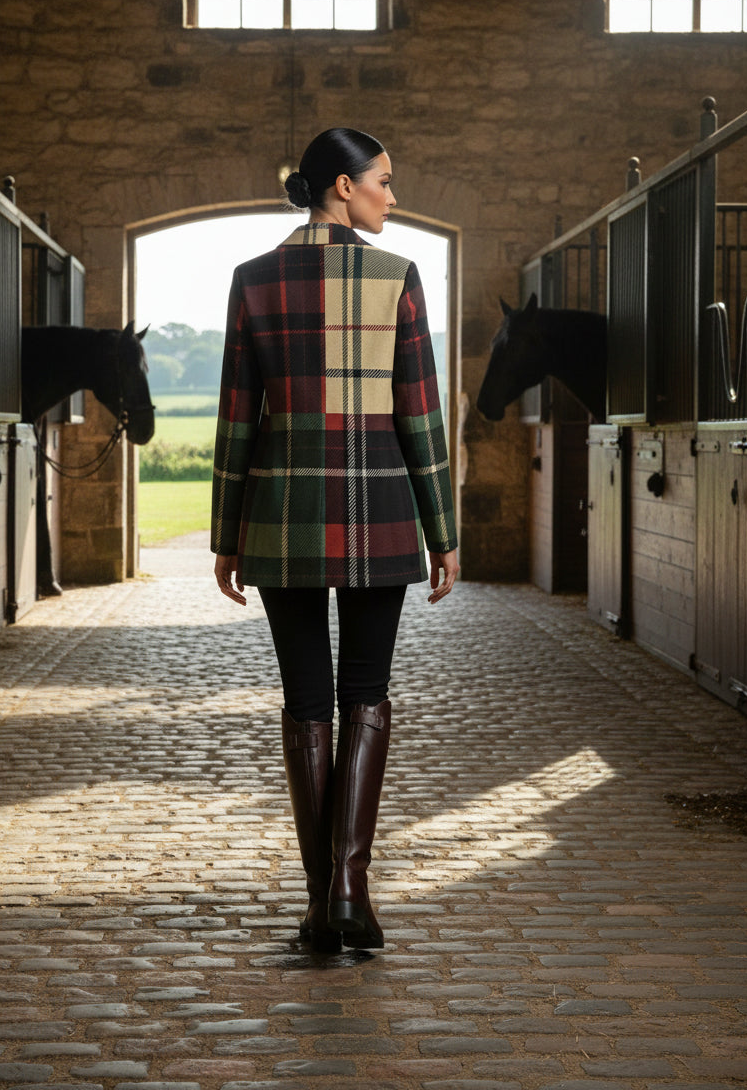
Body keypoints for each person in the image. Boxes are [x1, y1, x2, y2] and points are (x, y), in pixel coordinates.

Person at [212, 127, 459, 953]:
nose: (393, 194)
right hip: (380, 507)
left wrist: (225, 535)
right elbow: (419, 415)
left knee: (307, 701)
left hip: (280, 514)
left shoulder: (253, 279)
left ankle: (324, 903)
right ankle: (349, 888)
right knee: (367, 693)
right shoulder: (398, 276)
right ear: (343, 187)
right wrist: (443, 532)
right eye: (384, 180)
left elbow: (237, 418)